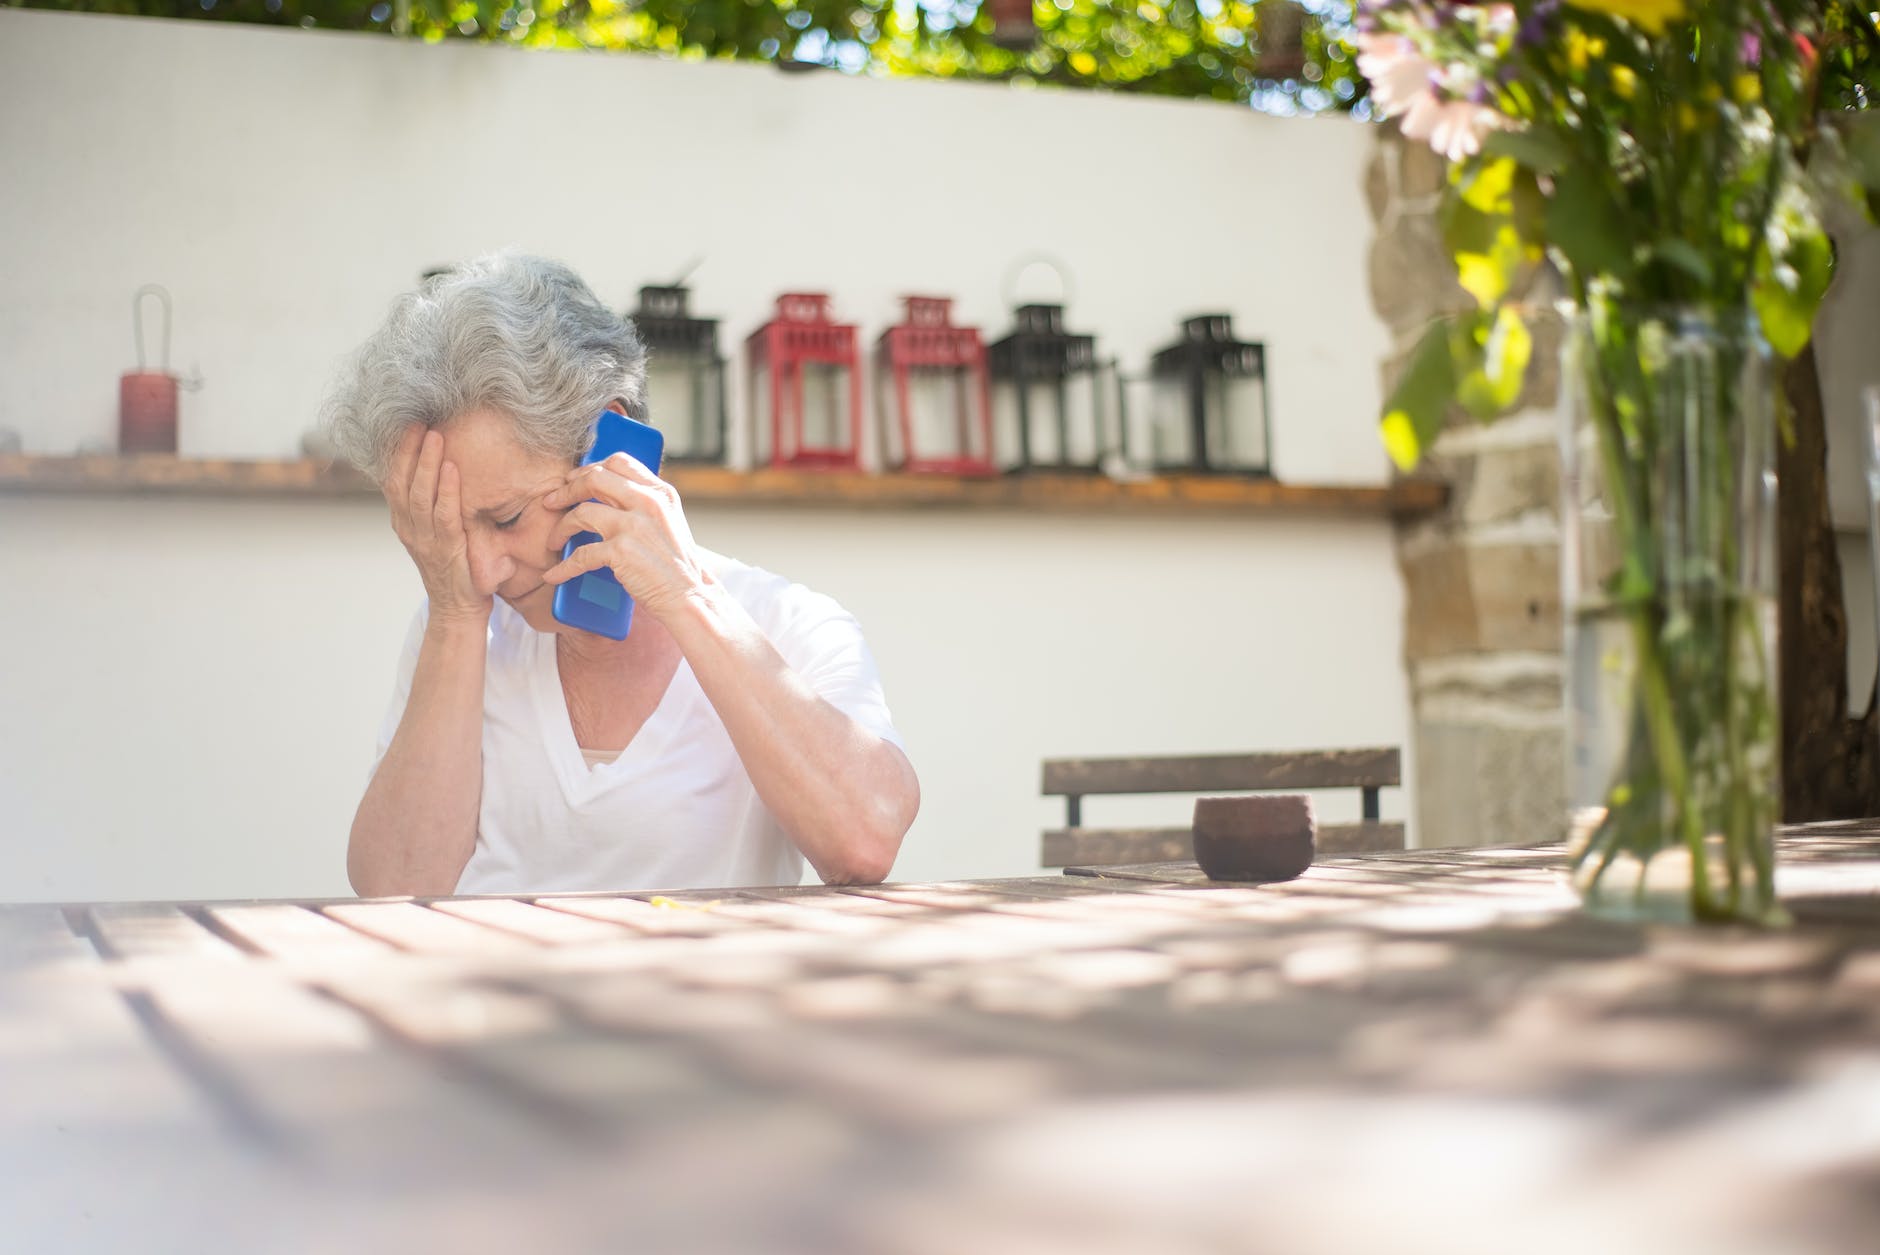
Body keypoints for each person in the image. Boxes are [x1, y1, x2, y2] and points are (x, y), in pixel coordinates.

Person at [323, 252, 919, 897]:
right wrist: (455, 616)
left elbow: (865, 842)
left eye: (507, 517)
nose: (485, 570)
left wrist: (685, 597)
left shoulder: (789, 624)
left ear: (614, 446)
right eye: (454, 531)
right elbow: (392, 892)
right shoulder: (460, 617)